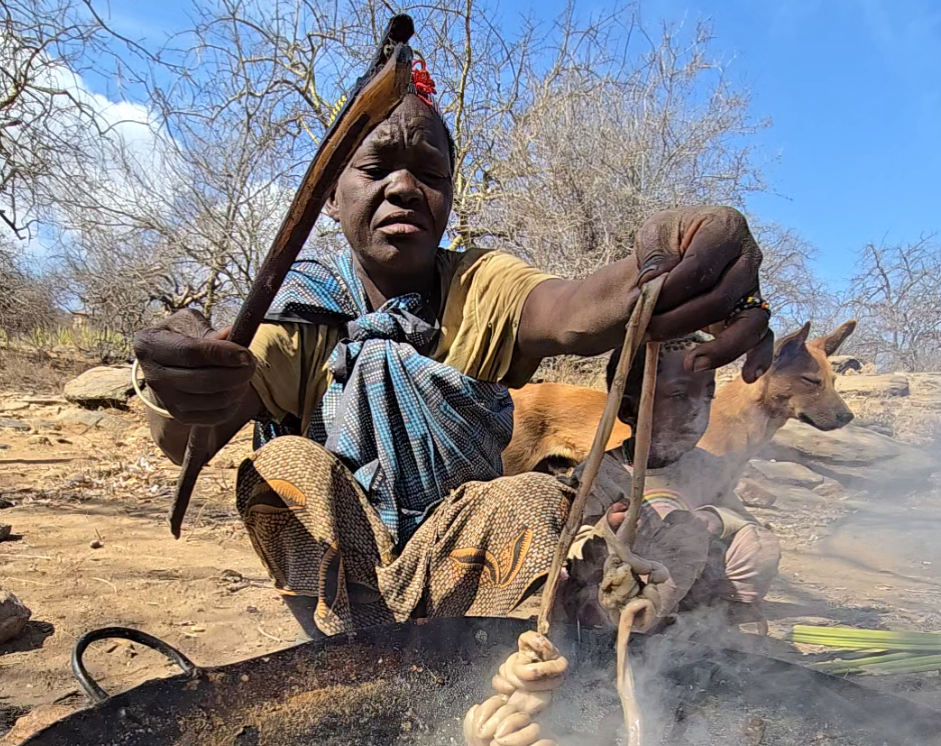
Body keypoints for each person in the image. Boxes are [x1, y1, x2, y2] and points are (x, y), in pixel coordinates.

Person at [133, 60, 773, 638]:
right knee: (287, 467)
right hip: (345, 577)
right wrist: (179, 380)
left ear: (448, 195)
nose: (407, 188)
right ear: (331, 195)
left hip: (463, 569)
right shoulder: (298, 313)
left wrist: (653, 268)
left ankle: (470, 664)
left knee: (534, 498)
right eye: (377, 167)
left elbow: (573, 309)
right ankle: (343, 660)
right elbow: (192, 428)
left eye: (431, 173)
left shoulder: (479, 285)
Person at [562, 337, 780, 629]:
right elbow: (572, 547)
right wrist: (608, 529)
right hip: (615, 595)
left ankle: (722, 624)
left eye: (707, 397)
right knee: (684, 537)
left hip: (690, 590)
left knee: (759, 542)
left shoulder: (708, 467)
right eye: (679, 396)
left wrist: (715, 519)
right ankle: (638, 625)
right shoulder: (600, 472)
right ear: (629, 410)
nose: (697, 410)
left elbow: (741, 521)